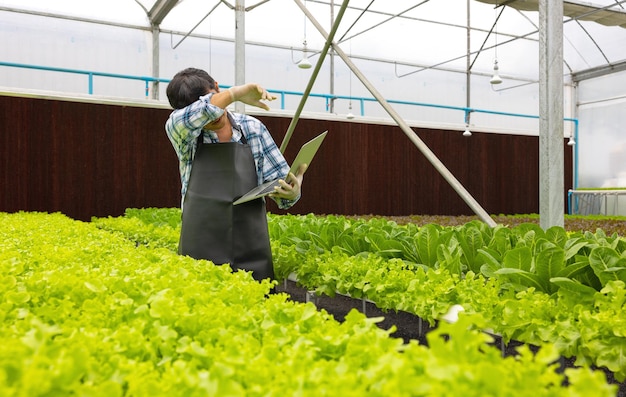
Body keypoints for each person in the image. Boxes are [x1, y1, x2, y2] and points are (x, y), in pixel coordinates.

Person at [165, 67, 306, 283]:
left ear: (217, 89)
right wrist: (235, 94)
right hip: (200, 245)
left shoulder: (253, 128)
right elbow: (197, 114)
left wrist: (291, 191)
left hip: (251, 245)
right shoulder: (183, 133)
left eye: (211, 99)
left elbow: (280, 188)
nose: (211, 117)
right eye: (203, 112)